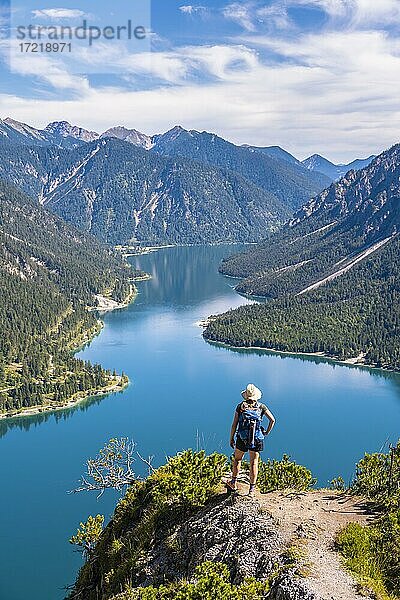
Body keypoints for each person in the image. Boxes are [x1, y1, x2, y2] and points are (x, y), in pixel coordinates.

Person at [226, 383, 275, 497]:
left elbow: (234, 424)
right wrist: (266, 432)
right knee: (254, 462)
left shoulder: (240, 407)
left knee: (238, 459)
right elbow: (272, 420)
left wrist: (231, 438)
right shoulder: (262, 407)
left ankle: (233, 483)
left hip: (242, 438)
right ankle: (252, 490)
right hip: (256, 438)